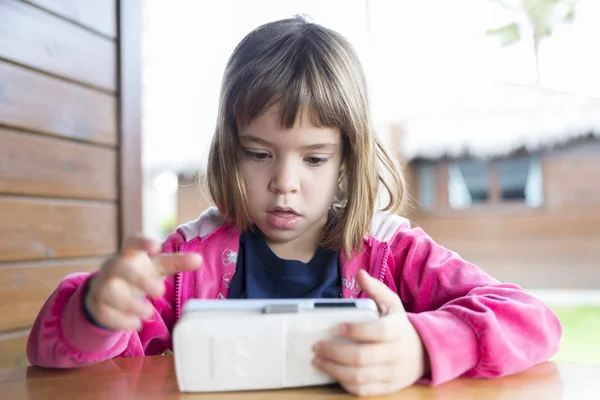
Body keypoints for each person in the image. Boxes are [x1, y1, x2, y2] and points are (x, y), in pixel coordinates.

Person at [26, 16, 561, 397]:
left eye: (314, 158)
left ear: (347, 160)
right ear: (229, 149)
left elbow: (532, 321)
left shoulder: (391, 250)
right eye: (259, 153)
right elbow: (54, 349)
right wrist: (96, 311)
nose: (284, 183)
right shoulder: (190, 259)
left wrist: (421, 347)